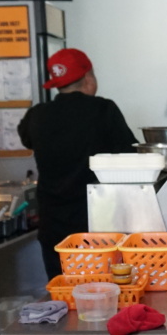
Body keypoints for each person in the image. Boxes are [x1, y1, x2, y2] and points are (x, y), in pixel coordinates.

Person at [17, 48, 137, 280]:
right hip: (98, 227)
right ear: (89, 78)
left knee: (63, 295)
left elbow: (26, 138)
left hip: (53, 228)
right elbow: (130, 155)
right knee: (105, 293)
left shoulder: (37, 115)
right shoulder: (104, 110)